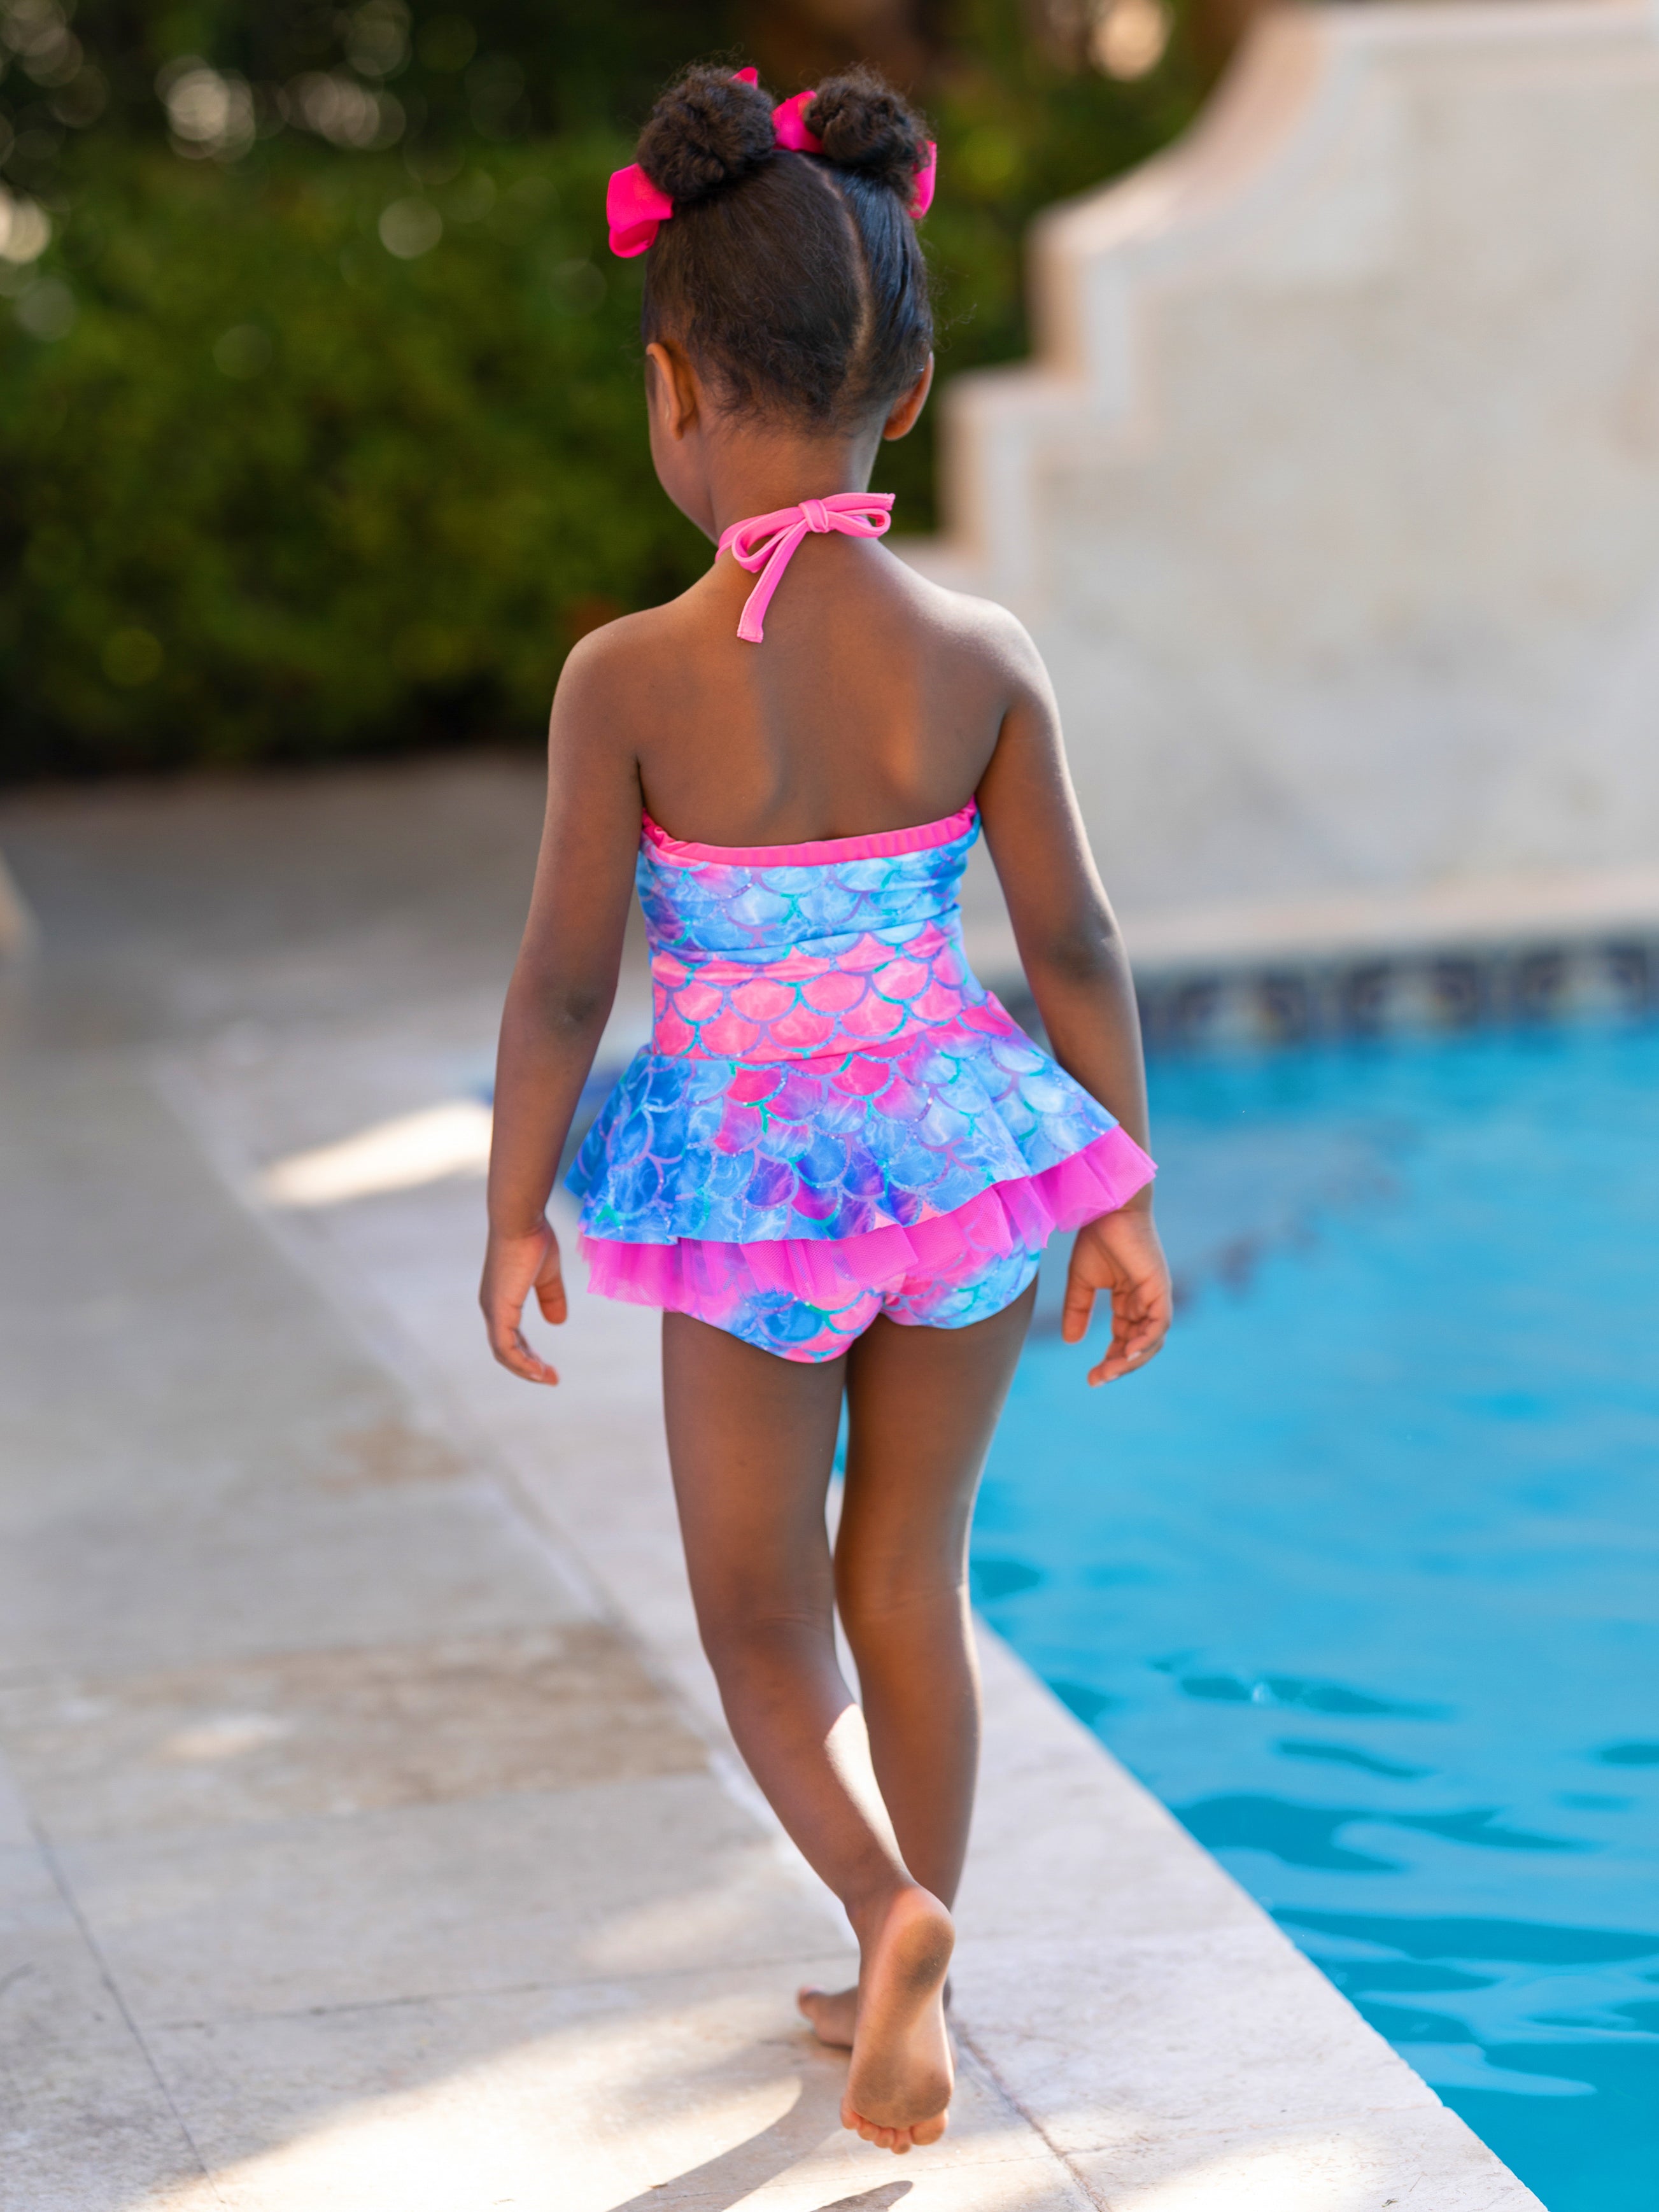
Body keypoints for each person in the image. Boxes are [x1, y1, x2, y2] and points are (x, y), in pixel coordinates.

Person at [480, 60, 1172, 2157]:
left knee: (760, 1608)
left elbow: (566, 980)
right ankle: (914, 1945)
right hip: (964, 1165)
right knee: (910, 1586)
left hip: (749, 1197)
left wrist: (517, 1209)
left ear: (677, 387)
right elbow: (1075, 941)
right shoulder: (979, 652)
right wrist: (1120, 1191)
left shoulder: (626, 676)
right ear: (911, 387)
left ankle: (884, 1916)